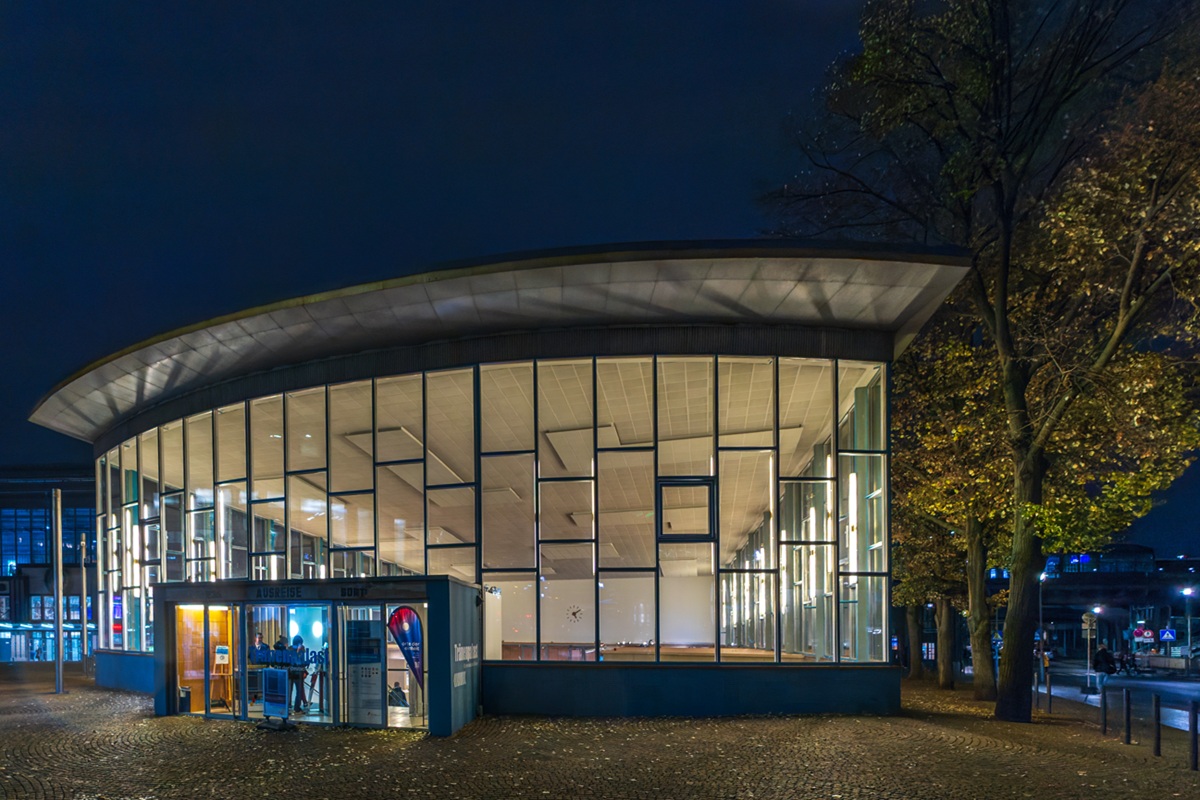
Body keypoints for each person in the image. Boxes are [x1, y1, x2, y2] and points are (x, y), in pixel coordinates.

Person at [288, 635, 309, 713]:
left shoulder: (300, 650)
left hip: (296, 672)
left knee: (298, 690)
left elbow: (303, 661)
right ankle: (292, 706)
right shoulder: (291, 649)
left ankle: (296, 707)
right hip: (293, 672)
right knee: (292, 690)